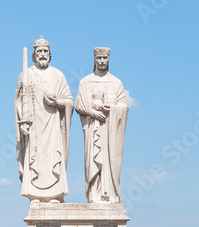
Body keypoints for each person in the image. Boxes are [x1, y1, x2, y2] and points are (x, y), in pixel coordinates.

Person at [15, 37, 74, 203]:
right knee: (35, 159)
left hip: (52, 125)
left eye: (45, 52)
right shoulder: (26, 75)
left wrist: (57, 102)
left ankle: (55, 193)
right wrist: (23, 120)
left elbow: (69, 101)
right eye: (39, 52)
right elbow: (19, 101)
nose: (43, 55)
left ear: (50, 54)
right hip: (34, 126)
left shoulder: (58, 75)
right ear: (34, 55)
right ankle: (35, 193)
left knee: (54, 157)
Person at [75, 47, 129, 204]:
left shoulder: (116, 82)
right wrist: (93, 111)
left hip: (110, 130)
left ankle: (110, 194)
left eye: (105, 58)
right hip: (93, 128)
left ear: (108, 59)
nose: (102, 61)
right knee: (93, 159)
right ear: (94, 60)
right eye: (99, 58)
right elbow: (79, 105)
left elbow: (123, 105)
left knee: (110, 160)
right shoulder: (85, 81)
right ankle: (95, 193)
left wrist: (111, 109)